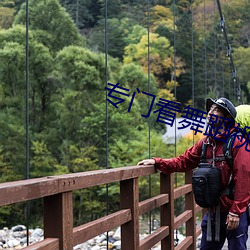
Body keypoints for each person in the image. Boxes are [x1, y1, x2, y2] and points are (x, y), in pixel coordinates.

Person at [138, 97, 250, 250]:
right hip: (213, 211)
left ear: (228, 118)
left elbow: (244, 178)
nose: (210, 113)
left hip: (233, 211)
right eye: (210, 109)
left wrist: (236, 212)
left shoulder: (237, 142)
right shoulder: (205, 143)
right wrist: (158, 162)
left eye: (216, 110)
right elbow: (184, 161)